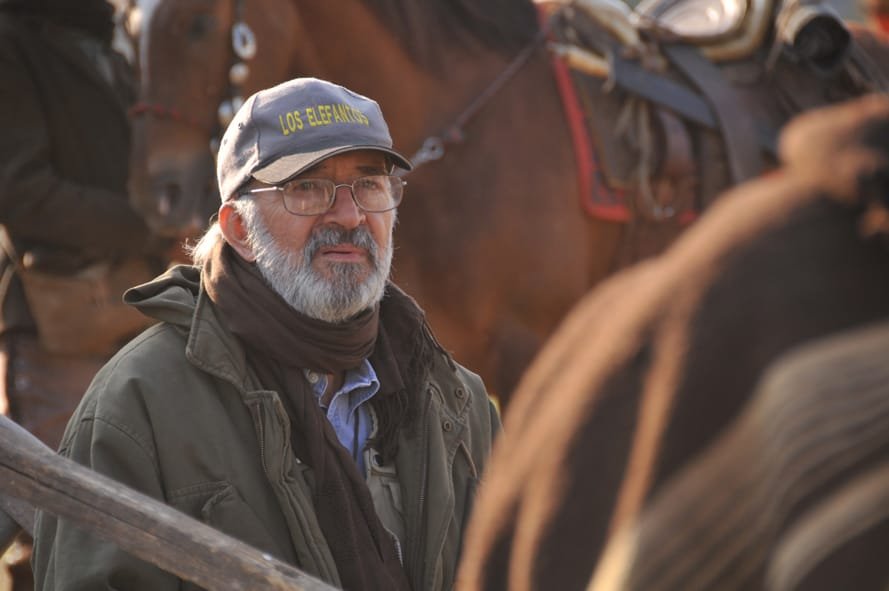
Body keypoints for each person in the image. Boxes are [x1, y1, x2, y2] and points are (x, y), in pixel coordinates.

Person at [31, 77, 500, 591]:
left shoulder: (456, 401)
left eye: (369, 185)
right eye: (307, 188)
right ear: (239, 229)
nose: (349, 216)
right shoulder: (136, 406)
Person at [0, 0, 170, 588]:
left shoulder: (110, 32)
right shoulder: (11, 40)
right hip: (58, 323)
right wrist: (146, 224)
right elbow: (20, 192)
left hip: (135, 306)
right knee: (57, 523)